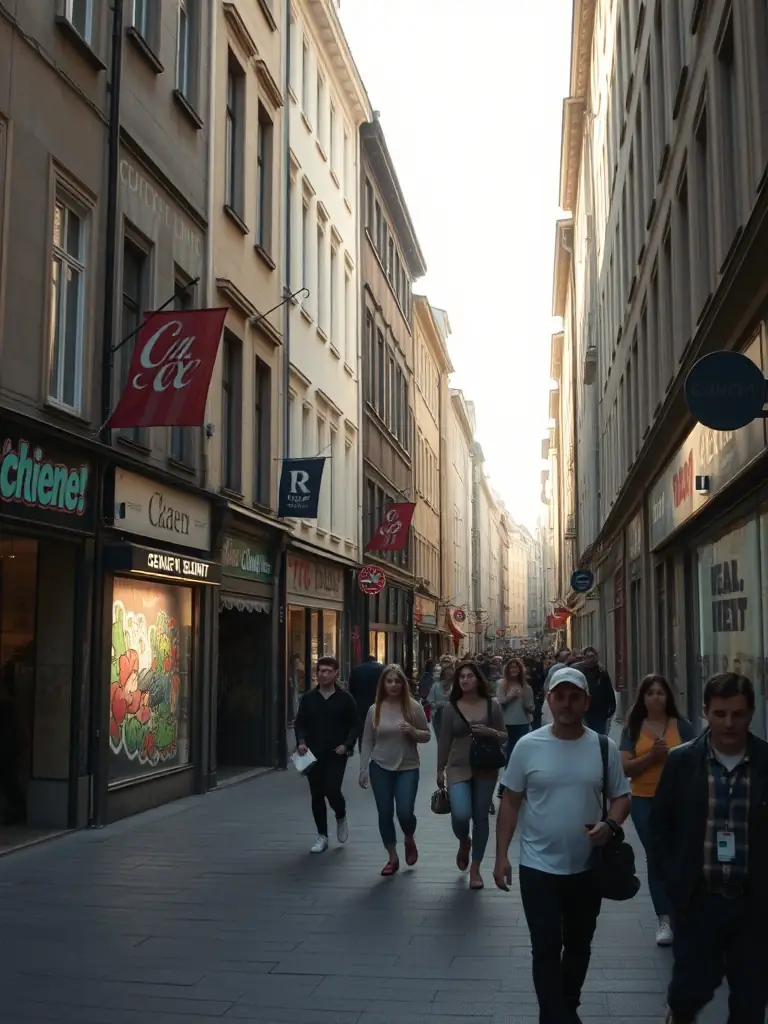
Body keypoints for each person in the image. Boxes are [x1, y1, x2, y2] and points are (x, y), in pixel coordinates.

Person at [493, 666, 631, 1024]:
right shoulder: (528, 746)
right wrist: (501, 857)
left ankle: (567, 1007)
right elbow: (510, 802)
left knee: (579, 946)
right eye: (560, 696)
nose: (566, 704)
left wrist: (610, 824)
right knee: (545, 946)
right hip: (538, 867)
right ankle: (553, 1016)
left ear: (586, 702)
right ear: (548, 700)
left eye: (574, 698)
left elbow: (621, 797)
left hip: (587, 868)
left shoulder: (604, 747)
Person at [649, 673, 768, 1024]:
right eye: (720, 714)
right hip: (699, 901)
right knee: (690, 992)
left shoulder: (765, 762)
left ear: (751, 713)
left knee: (750, 1002)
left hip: (753, 905)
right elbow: (660, 826)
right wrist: (674, 882)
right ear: (705, 712)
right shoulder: (683, 762)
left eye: (738, 714)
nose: (729, 723)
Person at [619, 674, 695, 946]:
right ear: (642, 698)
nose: (655, 697)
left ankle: (682, 912)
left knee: (680, 855)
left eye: (660, 692)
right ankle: (664, 918)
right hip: (644, 799)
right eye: (650, 693)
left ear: (668, 697)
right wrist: (652, 758)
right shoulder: (633, 728)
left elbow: (696, 761)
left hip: (679, 801)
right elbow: (625, 768)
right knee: (656, 855)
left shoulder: (683, 727)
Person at [437, 660, 506, 890]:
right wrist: (439, 769)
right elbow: (444, 739)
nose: (465, 680)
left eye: (469, 676)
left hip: (485, 767)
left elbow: (504, 736)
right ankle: (463, 841)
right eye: (461, 677)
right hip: (457, 766)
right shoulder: (450, 707)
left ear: (478, 679)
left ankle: (475, 868)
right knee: (460, 813)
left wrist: (491, 731)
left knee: (480, 817)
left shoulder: (492, 705)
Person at [359, 664, 431, 875]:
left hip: (408, 766)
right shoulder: (375, 709)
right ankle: (392, 856)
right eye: (389, 681)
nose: (393, 685)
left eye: (397, 681)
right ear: (383, 684)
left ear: (403, 684)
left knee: (405, 812)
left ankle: (409, 836)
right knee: (385, 813)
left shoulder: (413, 707)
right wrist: (363, 768)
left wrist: (413, 731)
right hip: (380, 766)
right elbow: (367, 741)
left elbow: (427, 735)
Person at [294, 656, 360, 854]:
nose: (322, 675)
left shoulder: (345, 698)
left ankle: (340, 814)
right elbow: (300, 723)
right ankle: (322, 835)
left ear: (336, 673)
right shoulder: (309, 698)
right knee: (316, 794)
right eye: (319, 671)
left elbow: (356, 725)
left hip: (336, 753)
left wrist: (347, 745)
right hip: (313, 754)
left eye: (326, 671)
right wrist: (301, 742)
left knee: (332, 790)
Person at [496, 657, 534, 800]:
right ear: (507, 669)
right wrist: (510, 697)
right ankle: (505, 785)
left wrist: (529, 707)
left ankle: (506, 786)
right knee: (509, 756)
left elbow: (531, 707)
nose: (514, 670)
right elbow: (498, 702)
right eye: (511, 668)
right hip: (505, 724)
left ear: (520, 670)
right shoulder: (501, 684)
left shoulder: (526, 687)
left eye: (516, 668)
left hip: (522, 724)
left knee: (516, 756)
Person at [574, 647, 616, 735]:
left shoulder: (602, 672)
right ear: (584, 658)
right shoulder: (579, 672)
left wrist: (611, 706)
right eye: (588, 657)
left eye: (592, 656)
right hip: (584, 712)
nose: (590, 659)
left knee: (598, 735)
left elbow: (608, 689)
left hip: (600, 712)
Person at [348, 653, 382, 753]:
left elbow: (351, 689)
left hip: (360, 705)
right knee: (377, 729)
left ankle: (363, 752)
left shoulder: (356, 670)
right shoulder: (381, 669)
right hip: (377, 704)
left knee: (362, 731)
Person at [427, 663, 454, 742]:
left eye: (450, 680)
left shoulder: (454, 688)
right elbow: (430, 702)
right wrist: (440, 704)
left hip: (451, 718)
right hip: (437, 717)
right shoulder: (435, 686)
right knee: (440, 739)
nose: (447, 683)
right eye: (445, 680)